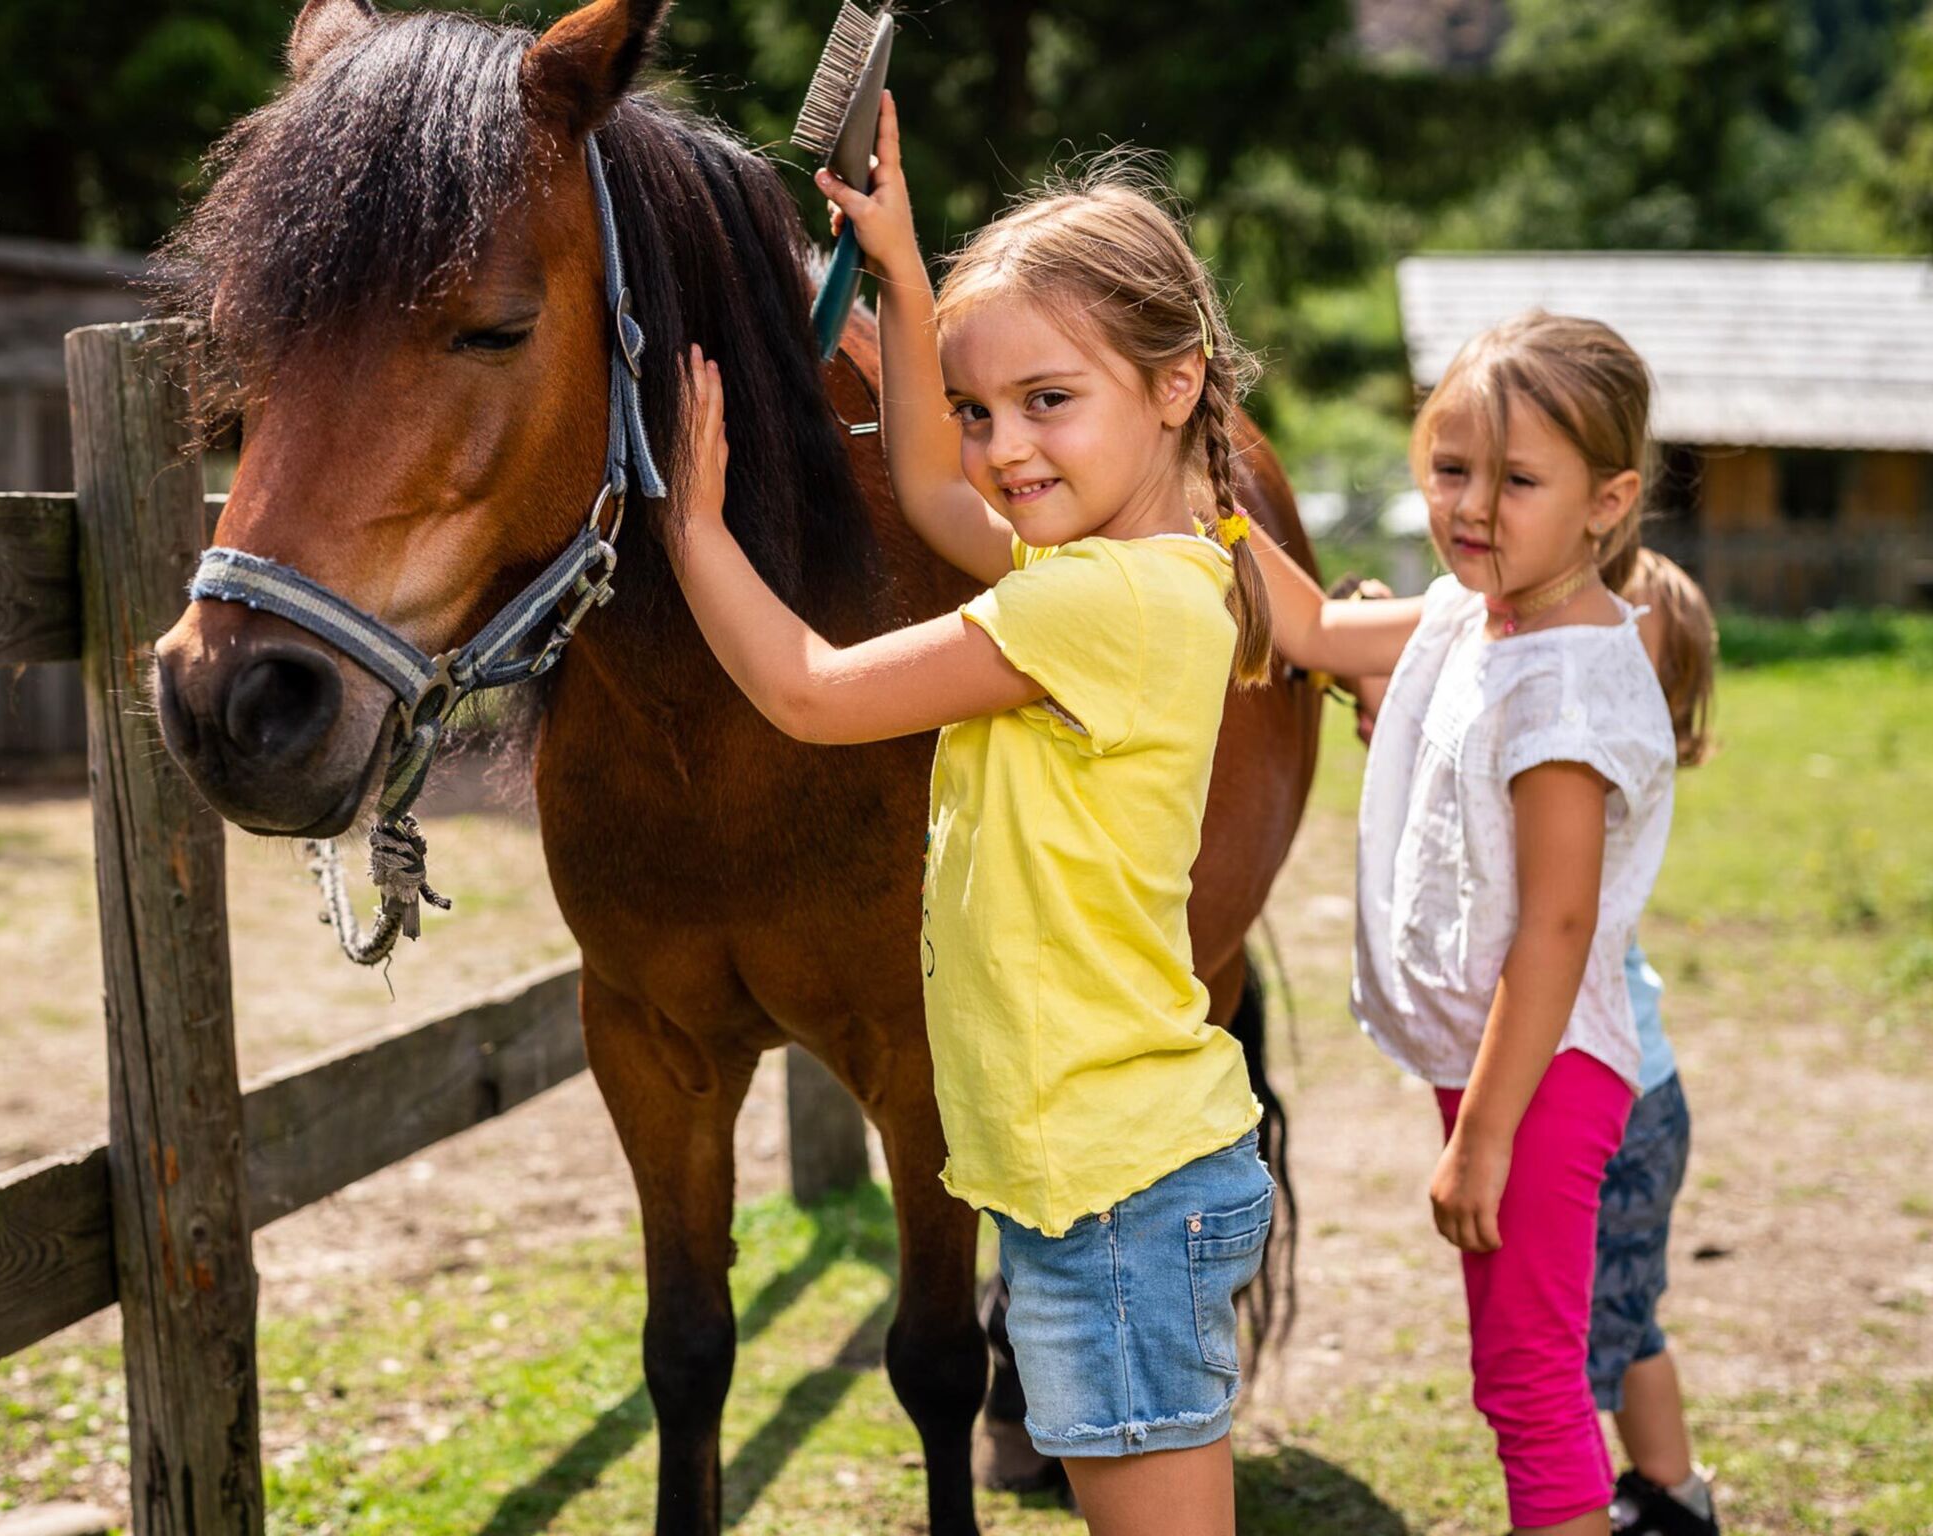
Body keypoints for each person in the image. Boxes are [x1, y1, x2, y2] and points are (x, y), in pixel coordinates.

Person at [662, 91, 1275, 1536]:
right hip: (1104, 1175)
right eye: (989, 405)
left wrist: (692, 530)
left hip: (1115, 1193)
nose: (1005, 448)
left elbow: (809, 690)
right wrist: (904, 267)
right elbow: (929, 481)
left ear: (1177, 383)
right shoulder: (1143, 570)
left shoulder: (1093, 601)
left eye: (1049, 402)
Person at [1244, 311, 1678, 1536]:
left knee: (1531, 1388)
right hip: (1497, 1068)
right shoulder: (1470, 613)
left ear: (1608, 501)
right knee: (1519, 1380)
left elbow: (1556, 928)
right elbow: (1318, 633)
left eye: (1518, 481)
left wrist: (1485, 1137)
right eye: (1450, 471)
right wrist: (1208, 496)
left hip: (1537, 1080)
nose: (1473, 508)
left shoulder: (1566, 685)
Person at [1594, 549, 1721, 1536]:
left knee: (1609, 1326)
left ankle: (1667, 1497)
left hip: (1625, 1107)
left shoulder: (1599, 780)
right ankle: (1668, 1491)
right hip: (1636, 1097)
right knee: (1629, 1317)